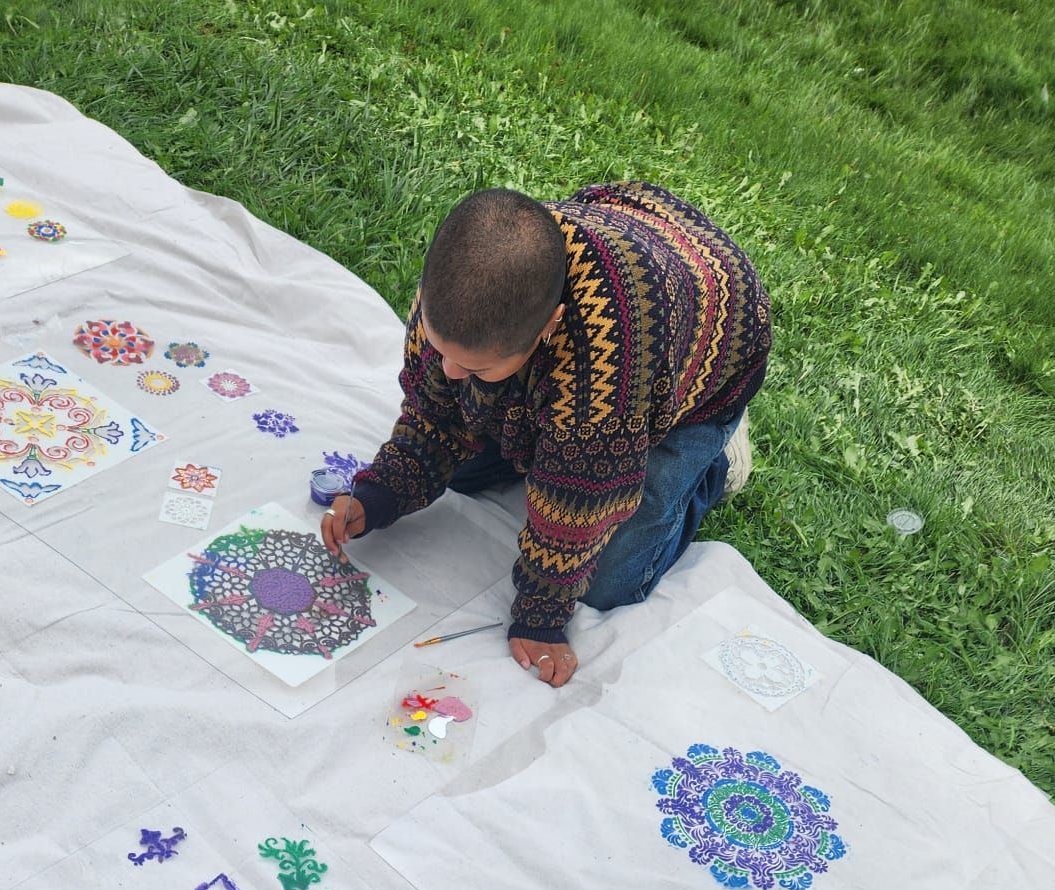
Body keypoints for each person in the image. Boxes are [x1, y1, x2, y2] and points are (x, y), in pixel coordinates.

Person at [323, 182, 772, 687]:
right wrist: (380, 493)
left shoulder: (609, 366)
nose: (447, 370)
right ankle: (531, 413)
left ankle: (716, 455)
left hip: (713, 335)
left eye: (476, 366)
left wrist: (541, 618)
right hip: (634, 234)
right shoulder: (460, 291)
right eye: (440, 348)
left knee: (606, 583)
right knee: (463, 471)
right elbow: (433, 416)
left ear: (550, 326)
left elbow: (580, 504)